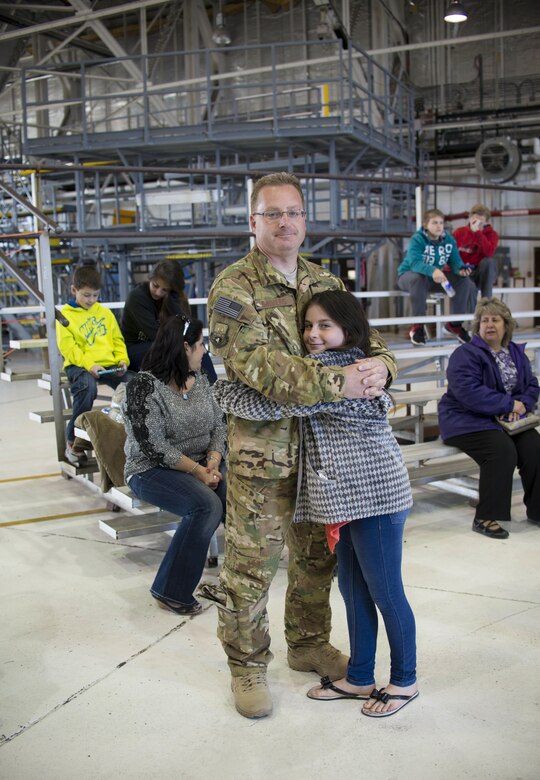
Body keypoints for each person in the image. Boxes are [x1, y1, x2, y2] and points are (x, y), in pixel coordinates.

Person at [200, 172, 397, 720]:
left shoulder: (321, 279)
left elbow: (370, 341)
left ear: (304, 220)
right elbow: (260, 368)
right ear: (253, 222)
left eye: (293, 212)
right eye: (272, 214)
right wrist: (342, 382)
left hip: (325, 455)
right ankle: (247, 666)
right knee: (250, 567)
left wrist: (381, 367)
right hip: (263, 458)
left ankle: (308, 642)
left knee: (316, 560)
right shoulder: (233, 287)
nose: (284, 222)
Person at [214, 290, 417, 718]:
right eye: (308, 326)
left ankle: (404, 680)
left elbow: (261, 401)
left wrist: (219, 391)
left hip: (375, 497)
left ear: (349, 330)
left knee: (386, 592)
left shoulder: (344, 369)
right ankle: (360, 677)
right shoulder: (336, 367)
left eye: (325, 325)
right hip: (343, 499)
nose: (313, 335)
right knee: (353, 588)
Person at [122, 314, 226, 615]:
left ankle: (242, 577)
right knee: (205, 506)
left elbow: (219, 425)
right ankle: (171, 590)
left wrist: (213, 461)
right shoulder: (143, 387)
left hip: (202, 463)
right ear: (184, 347)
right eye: (199, 344)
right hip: (151, 469)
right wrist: (198, 472)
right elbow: (152, 446)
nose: (204, 350)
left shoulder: (201, 380)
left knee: (238, 498)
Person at [438, 298, 540, 539]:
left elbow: (532, 384)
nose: (489, 325)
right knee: (501, 451)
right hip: (465, 419)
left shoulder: (515, 352)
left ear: (507, 325)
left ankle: (537, 510)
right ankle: (485, 516)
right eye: (484, 320)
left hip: (505, 420)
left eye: (495, 319)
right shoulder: (465, 354)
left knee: (534, 446)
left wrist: (522, 404)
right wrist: (508, 404)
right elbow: (468, 392)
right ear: (477, 327)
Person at [56, 265, 134, 466]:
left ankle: (129, 437)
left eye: (95, 296)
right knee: (86, 388)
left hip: (109, 365)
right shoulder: (64, 315)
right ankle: (73, 442)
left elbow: (117, 339)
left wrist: (122, 359)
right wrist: (89, 364)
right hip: (80, 365)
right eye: (86, 295)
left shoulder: (105, 314)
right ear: (74, 290)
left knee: (134, 385)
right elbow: (69, 348)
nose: (91, 300)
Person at [121, 259, 217, 381]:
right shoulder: (137, 297)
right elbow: (156, 334)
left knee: (198, 346)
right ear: (150, 279)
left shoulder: (173, 298)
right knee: (180, 350)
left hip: (161, 344)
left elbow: (186, 327)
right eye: (155, 285)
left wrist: (172, 299)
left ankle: (212, 389)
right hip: (135, 348)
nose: (158, 292)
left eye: (165, 290)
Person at [397, 208, 474, 346]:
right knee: (417, 278)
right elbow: (414, 263)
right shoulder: (417, 239)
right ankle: (418, 327)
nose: (439, 226)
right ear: (426, 225)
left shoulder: (449, 240)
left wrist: (461, 270)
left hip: (433, 278)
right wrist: (433, 270)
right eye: (435, 223)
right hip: (408, 276)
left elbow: (456, 262)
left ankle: (454, 324)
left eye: (441, 222)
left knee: (464, 281)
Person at [453, 204, 499, 299]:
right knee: (468, 291)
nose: (476, 224)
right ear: (470, 218)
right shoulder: (459, 233)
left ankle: (486, 301)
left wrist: (477, 233)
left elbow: (489, 253)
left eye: (480, 223)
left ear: (486, 222)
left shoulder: (492, 234)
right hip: (465, 272)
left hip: (482, 274)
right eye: (474, 221)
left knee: (489, 261)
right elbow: (452, 254)